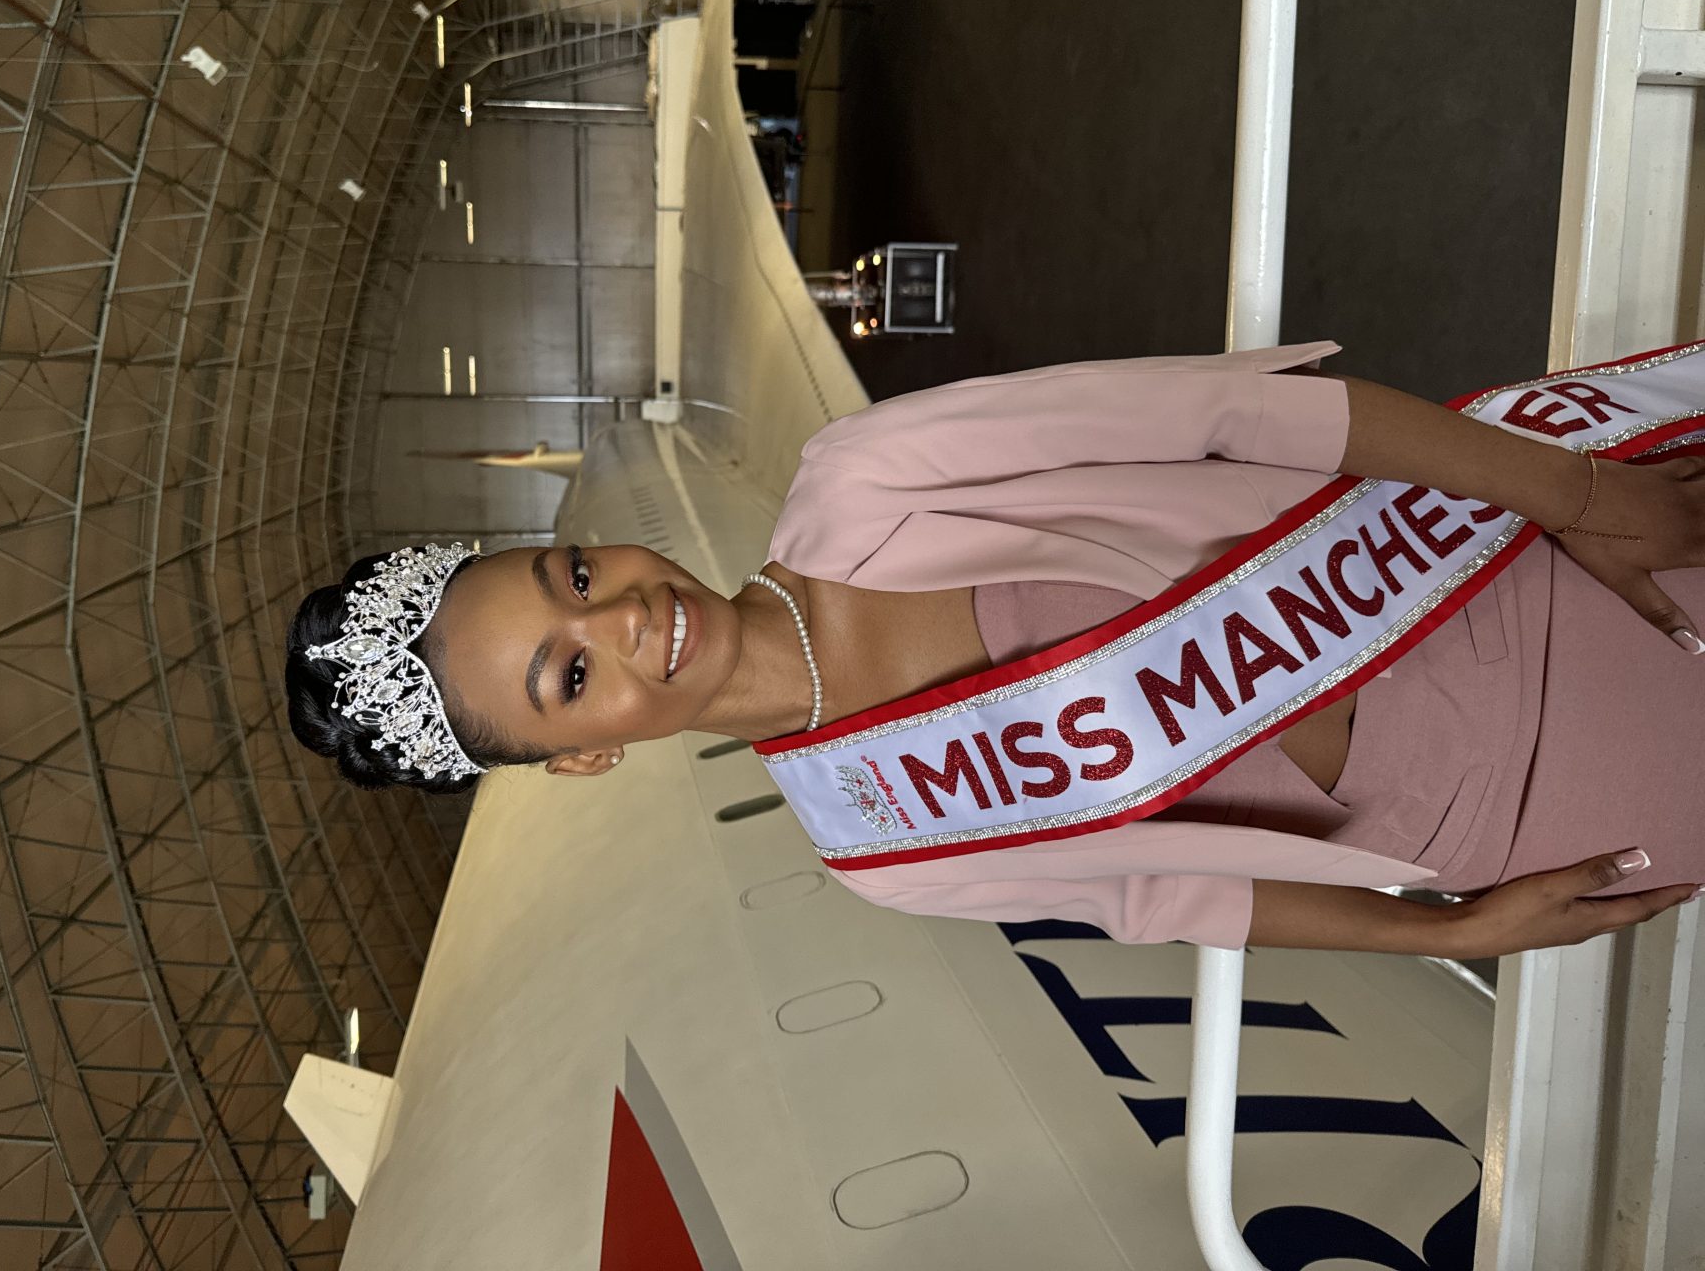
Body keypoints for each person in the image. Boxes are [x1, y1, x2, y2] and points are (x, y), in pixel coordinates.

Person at [284, 341, 1705, 960]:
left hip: (1517, 573)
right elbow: (1174, 899)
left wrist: (1575, 494)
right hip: (1502, 814)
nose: (620, 620)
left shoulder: (864, 477)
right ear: (583, 758)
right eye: (571, 677)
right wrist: (1452, 931)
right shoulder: (879, 840)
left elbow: (1247, 420)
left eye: (576, 576)